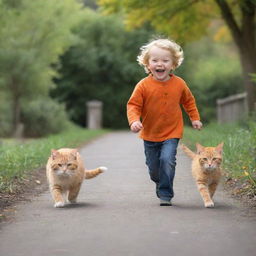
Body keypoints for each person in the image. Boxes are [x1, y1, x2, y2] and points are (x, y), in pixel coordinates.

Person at [127, 38, 202, 206]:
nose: (159, 64)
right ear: (147, 64)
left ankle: (165, 194)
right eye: (155, 60)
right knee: (154, 169)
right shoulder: (143, 85)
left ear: (173, 64)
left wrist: (195, 118)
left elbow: (188, 101)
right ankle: (161, 183)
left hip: (172, 132)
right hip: (150, 134)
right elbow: (133, 105)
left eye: (165, 60)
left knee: (167, 160)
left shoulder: (179, 84)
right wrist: (134, 121)